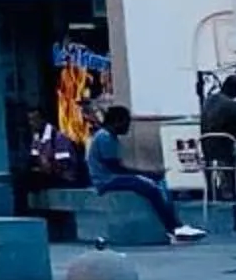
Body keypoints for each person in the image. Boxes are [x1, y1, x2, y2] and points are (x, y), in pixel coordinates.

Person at [87, 104, 206, 242]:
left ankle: (175, 224)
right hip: (106, 180)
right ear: (116, 121)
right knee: (150, 188)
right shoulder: (105, 138)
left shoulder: (108, 137)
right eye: (126, 122)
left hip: (110, 177)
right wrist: (146, 174)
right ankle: (173, 226)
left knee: (157, 185)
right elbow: (116, 168)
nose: (128, 127)